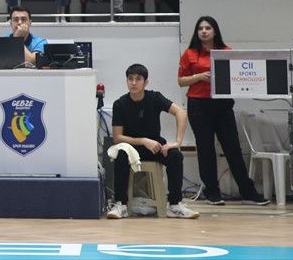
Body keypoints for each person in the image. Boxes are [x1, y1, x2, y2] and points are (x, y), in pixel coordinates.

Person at [177, 16, 269, 206]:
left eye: (208, 28)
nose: (204, 31)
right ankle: (212, 191)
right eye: (200, 28)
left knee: (232, 147)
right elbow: (181, 81)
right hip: (199, 105)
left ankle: (248, 192)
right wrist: (199, 76)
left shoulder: (226, 52)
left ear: (215, 31)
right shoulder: (190, 53)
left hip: (222, 104)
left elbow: (237, 76)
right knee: (205, 149)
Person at [106, 63, 198, 219]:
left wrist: (177, 142)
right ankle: (121, 204)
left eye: (138, 79)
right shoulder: (120, 104)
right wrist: (143, 141)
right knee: (121, 153)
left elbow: (180, 113)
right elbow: (117, 137)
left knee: (175, 156)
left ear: (146, 82)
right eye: (130, 79)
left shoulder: (154, 98)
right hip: (131, 148)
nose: (133, 83)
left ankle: (174, 205)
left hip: (155, 146)